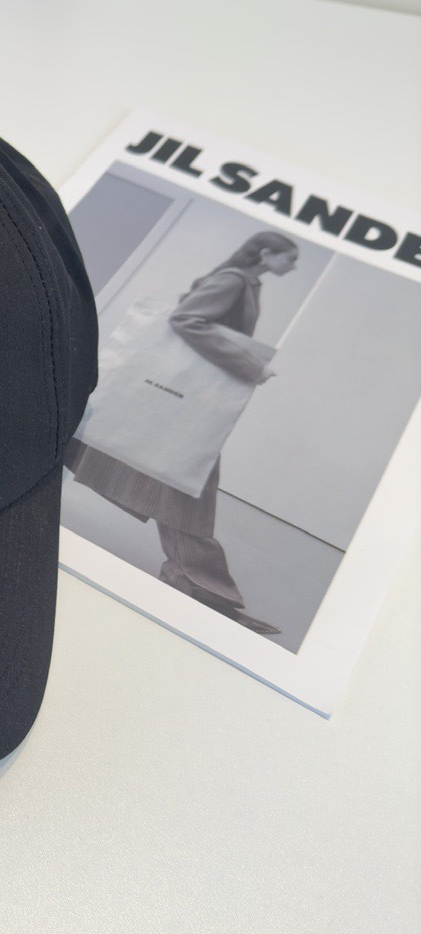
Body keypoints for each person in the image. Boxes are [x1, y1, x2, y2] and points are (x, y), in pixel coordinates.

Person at [66, 230, 300, 636]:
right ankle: (204, 593)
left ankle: (197, 587)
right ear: (266, 253)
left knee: (185, 493)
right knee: (190, 492)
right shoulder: (233, 281)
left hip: (186, 407)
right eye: (289, 258)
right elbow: (185, 318)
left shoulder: (241, 281)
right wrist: (250, 365)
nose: (293, 267)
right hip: (185, 408)